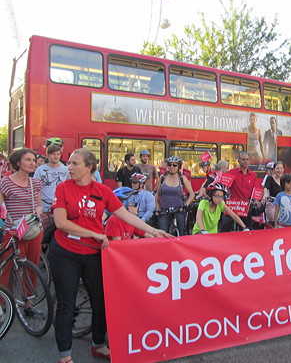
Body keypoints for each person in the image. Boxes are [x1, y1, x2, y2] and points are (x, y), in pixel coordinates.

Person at [49, 149, 171, 363]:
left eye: (75, 164)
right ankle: (65, 356)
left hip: (93, 254)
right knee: (67, 304)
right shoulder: (63, 188)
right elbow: (61, 223)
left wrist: (154, 231)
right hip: (65, 253)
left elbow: (126, 216)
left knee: (101, 302)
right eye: (69, 163)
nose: (69, 167)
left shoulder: (103, 191)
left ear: (89, 168)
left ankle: (98, 345)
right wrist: (94, 233)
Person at [0, 149, 43, 298]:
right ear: (18, 162)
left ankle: (29, 300)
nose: (32, 163)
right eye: (28, 160)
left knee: (32, 266)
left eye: (33, 160)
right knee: (7, 268)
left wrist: (39, 209)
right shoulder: (5, 182)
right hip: (13, 231)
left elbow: (39, 205)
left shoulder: (35, 183)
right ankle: (3, 303)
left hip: (33, 230)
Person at [155, 156, 194, 236]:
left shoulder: (182, 178)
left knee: (181, 233)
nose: (171, 167)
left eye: (174, 165)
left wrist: (186, 205)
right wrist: (157, 208)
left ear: (178, 167)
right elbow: (157, 194)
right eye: (169, 165)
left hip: (178, 209)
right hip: (164, 210)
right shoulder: (162, 178)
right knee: (163, 234)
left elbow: (192, 194)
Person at [33, 144, 69, 230]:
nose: (56, 156)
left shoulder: (66, 169)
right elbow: (35, 188)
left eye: (58, 154)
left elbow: (70, 186)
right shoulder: (40, 170)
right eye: (53, 154)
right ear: (48, 155)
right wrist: (38, 205)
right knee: (44, 233)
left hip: (61, 207)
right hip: (45, 208)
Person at [220, 152, 258, 232]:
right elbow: (223, 186)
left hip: (246, 206)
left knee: (247, 230)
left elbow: (256, 189)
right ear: (239, 161)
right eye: (243, 159)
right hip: (233, 206)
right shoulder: (231, 172)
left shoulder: (253, 175)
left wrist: (257, 200)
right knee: (225, 226)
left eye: (247, 159)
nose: (245, 161)